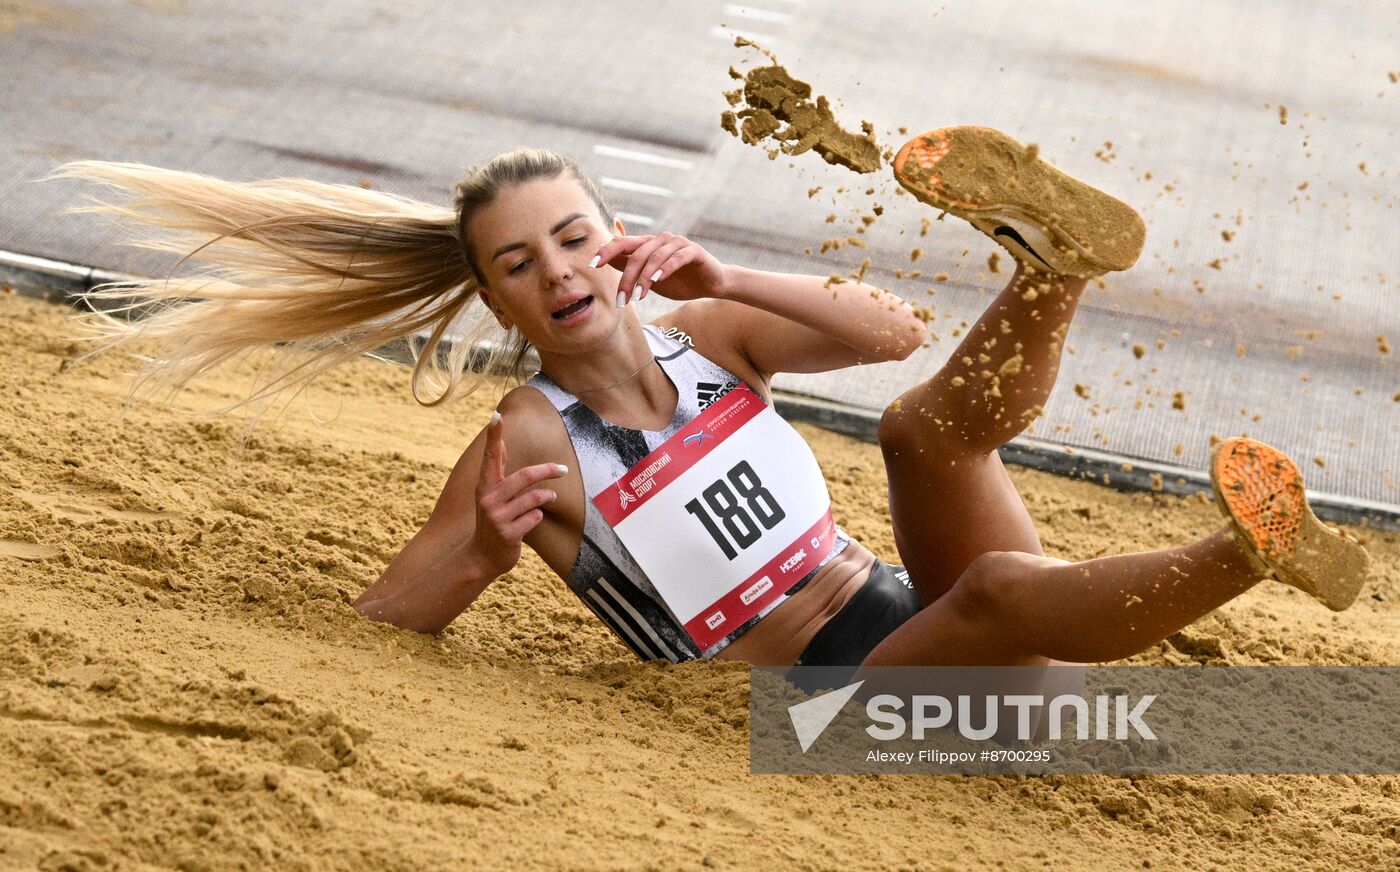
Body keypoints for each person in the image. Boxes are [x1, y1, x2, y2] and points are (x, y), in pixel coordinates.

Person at [45, 130, 1371, 697]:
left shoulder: (710, 334)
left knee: (922, 432)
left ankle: (1058, 266)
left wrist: (731, 270)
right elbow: (391, 612)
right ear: (501, 306)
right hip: (829, 706)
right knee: (1002, 596)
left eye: (573, 240)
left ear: (614, 242)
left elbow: (893, 334)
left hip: (899, 614)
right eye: (521, 266)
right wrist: (492, 550)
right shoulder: (525, 444)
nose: (559, 275)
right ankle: (1250, 548)